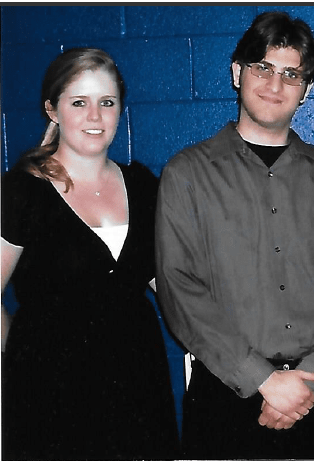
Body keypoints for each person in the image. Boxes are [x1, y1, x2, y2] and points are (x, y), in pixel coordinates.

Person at [154, 11, 314, 459]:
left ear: (307, 91)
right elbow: (179, 289)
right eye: (263, 68)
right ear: (237, 72)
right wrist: (264, 380)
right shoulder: (188, 175)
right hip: (225, 396)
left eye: (291, 74)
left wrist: (310, 381)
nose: (275, 85)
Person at [1, 48, 179, 459]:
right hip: (50, 395)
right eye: (79, 102)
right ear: (53, 109)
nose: (95, 117)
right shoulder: (22, 191)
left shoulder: (143, 185)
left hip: (138, 387)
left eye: (107, 102)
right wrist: (26, 356)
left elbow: (168, 285)